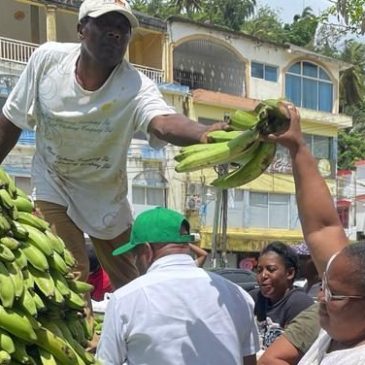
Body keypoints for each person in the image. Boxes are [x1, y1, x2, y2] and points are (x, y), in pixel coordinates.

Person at [0, 0, 226, 291]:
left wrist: (204, 133)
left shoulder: (135, 86)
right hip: (53, 182)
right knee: (70, 275)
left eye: (123, 28)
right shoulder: (47, 61)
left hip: (106, 196)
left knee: (132, 281)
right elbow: (11, 118)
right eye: (106, 24)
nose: (116, 33)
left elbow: (162, 122)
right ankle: (80, 336)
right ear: (82, 29)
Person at [262, 102, 365, 364]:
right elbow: (322, 227)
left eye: (333, 294)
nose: (320, 297)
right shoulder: (343, 326)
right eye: (324, 286)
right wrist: (297, 147)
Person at [96, 207, 260, 365]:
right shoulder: (238, 295)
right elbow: (249, 361)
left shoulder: (125, 300)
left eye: (135, 254)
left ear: (147, 251)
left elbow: (106, 362)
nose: (135, 262)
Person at [250, 241, 314, 349]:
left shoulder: (300, 304)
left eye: (271, 269)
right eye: (259, 270)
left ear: (289, 273)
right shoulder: (253, 299)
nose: (263, 275)